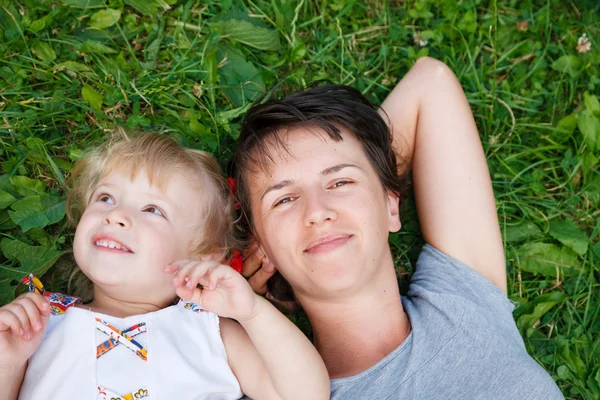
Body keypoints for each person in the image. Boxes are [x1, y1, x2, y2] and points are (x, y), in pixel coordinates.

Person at [235, 57, 564, 399]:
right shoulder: (269, 390)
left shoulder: (462, 300)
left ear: (392, 206)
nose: (317, 212)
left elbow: (430, 84)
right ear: (263, 248)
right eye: (284, 200)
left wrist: (371, 164)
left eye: (340, 181)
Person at [0, 133, 329, 400]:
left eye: (152, 209)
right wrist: (8, 361)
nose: (115, 215)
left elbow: (305, 394)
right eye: (105, 198)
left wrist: (252, 312)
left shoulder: (210, 332)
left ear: (204, 255)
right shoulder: (39, 326)